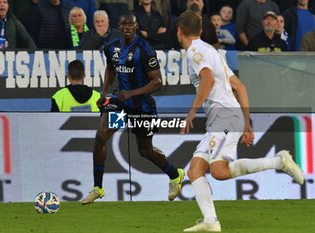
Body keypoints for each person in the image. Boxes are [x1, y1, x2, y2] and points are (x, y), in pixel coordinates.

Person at [176, 11, 304, 232]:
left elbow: (206, 79)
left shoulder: (195, 51)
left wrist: (191, 113)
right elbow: (240, 86)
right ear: (200, 30)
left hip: (223, 116)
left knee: (219, 171)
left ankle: (278, 162)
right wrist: (246, 123)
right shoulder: (212, 51)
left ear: (179, 31)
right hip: (227, 116)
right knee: (195, 171)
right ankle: (210, 221)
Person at [81, 12, 184, 205]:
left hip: (142, 106)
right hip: (120, 104)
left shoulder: (144, 49)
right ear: (118, 27)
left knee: (145, 150)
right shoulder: (111, 48)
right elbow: (111, 68)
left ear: (136, 27)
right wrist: (104, 93)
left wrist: (132, 93)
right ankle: (98, 188)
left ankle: (175, 174)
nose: (127, 27)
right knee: (101, 136)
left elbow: (157, 82)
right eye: (124, 24)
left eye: (131, 24)